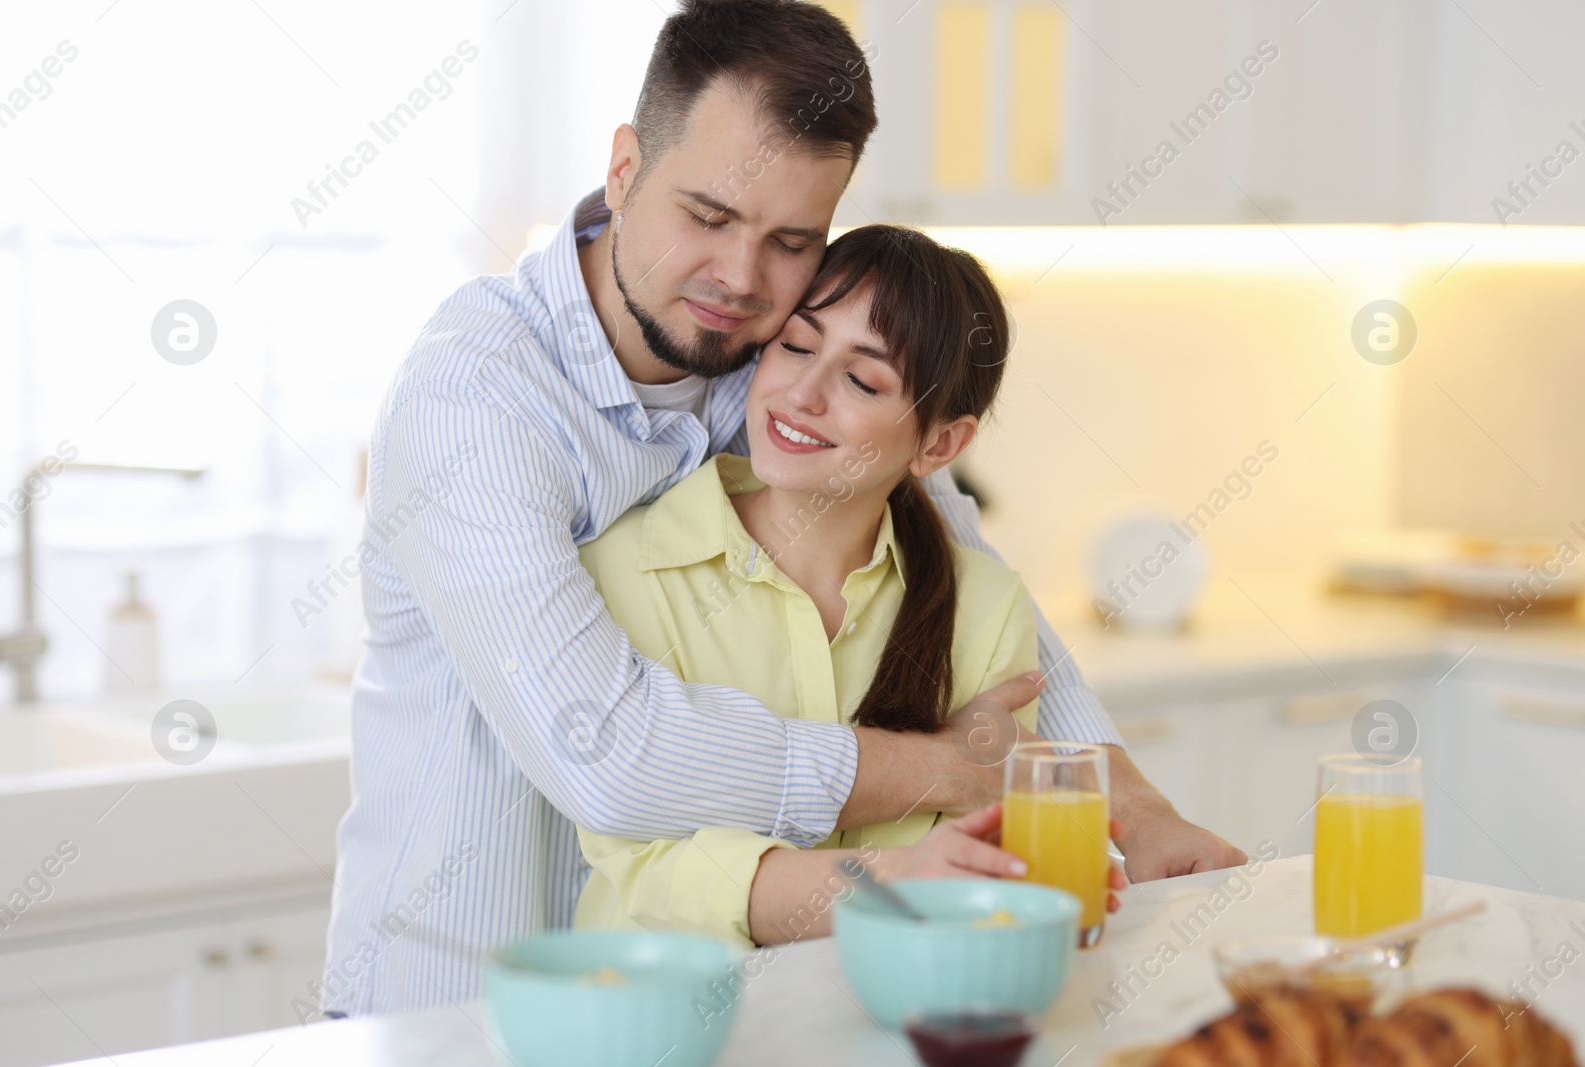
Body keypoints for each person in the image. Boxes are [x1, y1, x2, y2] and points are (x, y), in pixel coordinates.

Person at [324, 0, 1242, 1017]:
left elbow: (980, 587)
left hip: (705, 1017)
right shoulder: (479, 397)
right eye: (708, 217)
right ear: (623, 168)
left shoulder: (772, 362)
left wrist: (1138, 810)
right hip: (456, 1006)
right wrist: (944, 766)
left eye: (791, 240)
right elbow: (613, 755)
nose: (740, 279)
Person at [574, 224, 1126, 947]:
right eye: (796, 346)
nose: (801, 393)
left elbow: (989, 861)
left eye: (862, 379)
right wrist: (896, 876)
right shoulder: (629, 564)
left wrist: (1024, 878)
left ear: (940, 444)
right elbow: (647, 866)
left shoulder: (985, 607)